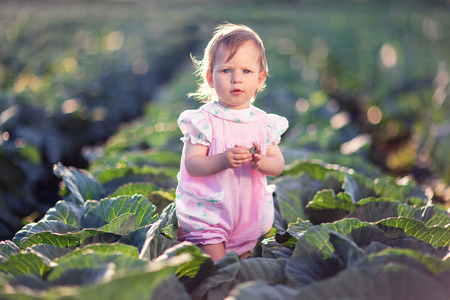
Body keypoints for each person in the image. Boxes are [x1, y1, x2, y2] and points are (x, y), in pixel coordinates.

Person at [175, 23, 288, 261]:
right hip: (211, 213)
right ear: (210, 77)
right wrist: (223, 160)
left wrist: (261, 161)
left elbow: (278, 165)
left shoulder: (263, 123)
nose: (236, 79)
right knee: (218, 269)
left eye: (246, 71)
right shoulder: (204, 121)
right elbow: (192, 164)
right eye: (227, 71)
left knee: (241, 269)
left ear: (260, 78)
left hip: (247, 214)